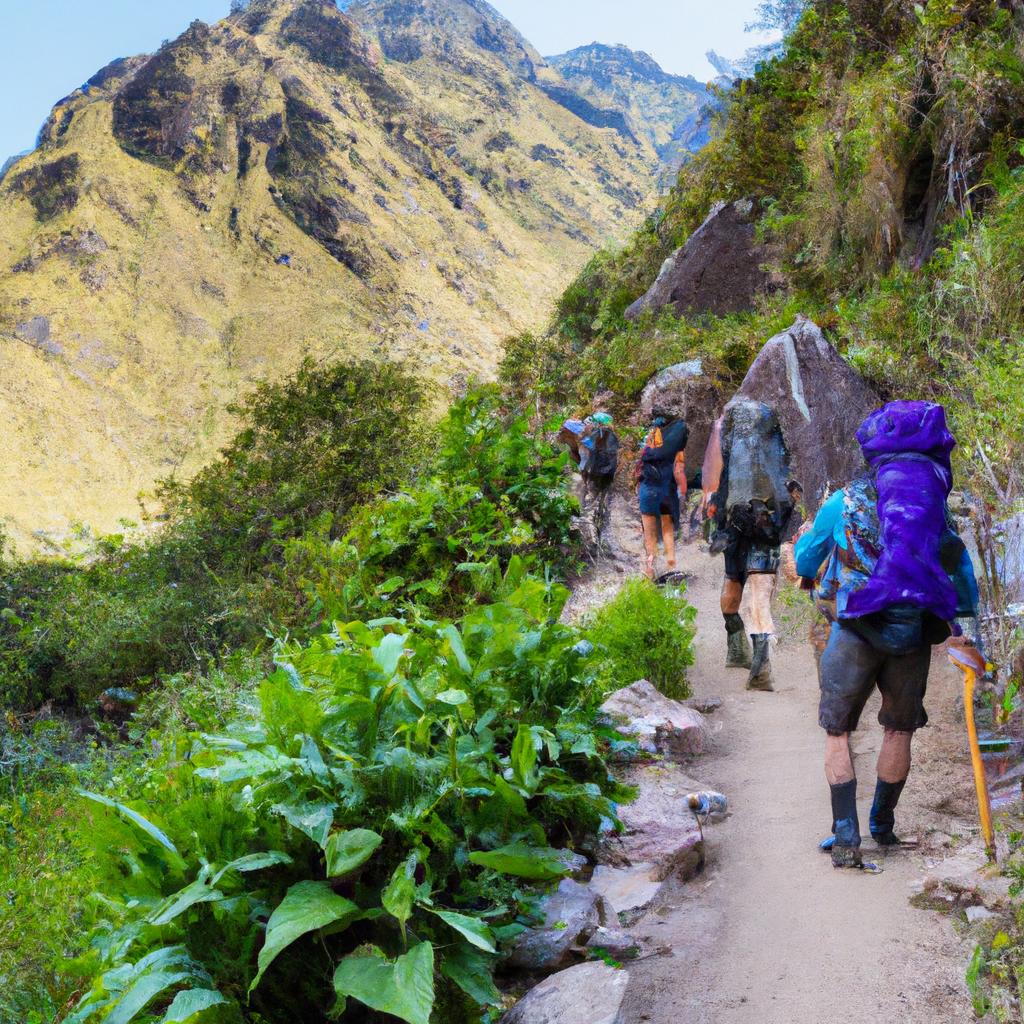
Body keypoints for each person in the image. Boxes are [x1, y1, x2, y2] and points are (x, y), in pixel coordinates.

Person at [794, 400, 981, 870]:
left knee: (838, 732)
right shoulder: (933, 510)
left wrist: (804, 554)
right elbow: (960, 575)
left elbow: (805, 562)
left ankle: (845, 838)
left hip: (853, 631)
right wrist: (964, 628)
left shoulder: (846, 501)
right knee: (899, 730)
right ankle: (883, 826)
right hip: (913, 636)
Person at [703, 399, 797, 691]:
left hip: (735, 524)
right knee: (758, 593)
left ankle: (739, 650)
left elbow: (715, 484)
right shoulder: (773, 446)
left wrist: (718, 520)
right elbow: (786, 489)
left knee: (733, 581)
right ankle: (759, 666)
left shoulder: (731, 446)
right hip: (764, 526)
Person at [636, 407, 688, 580]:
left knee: (649, 536)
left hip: (647, 493)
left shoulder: (647, 448)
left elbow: (638, 474)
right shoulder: (675, 448)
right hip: (665, 494)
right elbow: (678, 471)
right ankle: (671, 564)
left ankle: (649, 572)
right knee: (667, 528)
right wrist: (683, 489)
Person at [580, 412, 619, 515]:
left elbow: (590, 449)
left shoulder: (596, 433)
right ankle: (601, 508)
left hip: (597, 467)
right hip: (609, 467)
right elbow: (615, 450)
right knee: (605, 489)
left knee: (596, 488)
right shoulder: (612, 435)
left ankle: (591, 509)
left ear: (598, 423)